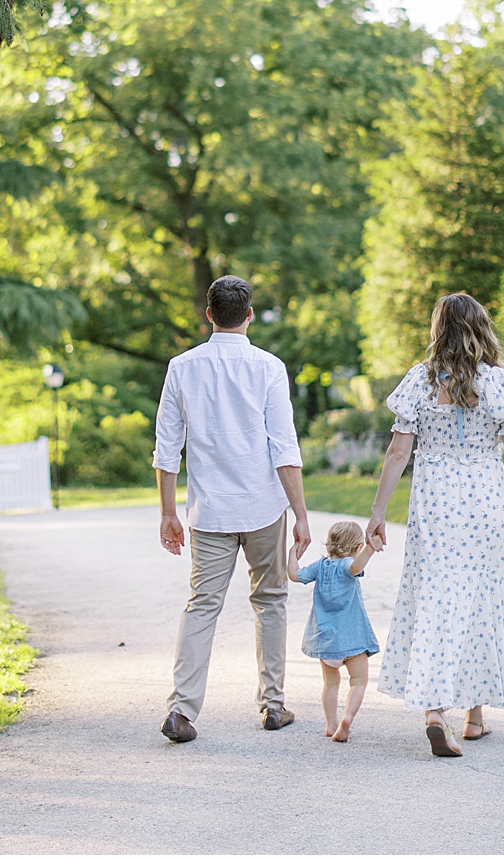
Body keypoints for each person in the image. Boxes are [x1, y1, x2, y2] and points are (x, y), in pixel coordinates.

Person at [367, 292, 504, 758]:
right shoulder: (499, 383)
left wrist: (378, 513)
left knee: (439, 597)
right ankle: (470, 716)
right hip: (484, 501)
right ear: (482, 328)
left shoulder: (420, 382)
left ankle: (444, 710)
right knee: (481, 597)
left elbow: (398, 453)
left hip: (435, 502)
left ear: (438, 330)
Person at [153, 274, 311, 742]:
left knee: (202, 605)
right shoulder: (269, 367)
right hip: (264, 506)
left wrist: (167, 513)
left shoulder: (182, 366)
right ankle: (273, 706)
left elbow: (167, 448)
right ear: (248, 316)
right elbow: (283, 446)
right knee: (271, 602)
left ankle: (181, 711)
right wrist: (301, 515)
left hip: (209, 512)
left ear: (209, 315)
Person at [289, 520, 379, 742]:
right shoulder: (348, 565)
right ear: (357, 547)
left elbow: (294, 575)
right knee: (358, 681)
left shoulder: (320, 566)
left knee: (330, 683)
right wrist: (372, 548)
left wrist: (292, 552)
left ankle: (330, 724)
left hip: (327, 642)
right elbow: (357, 566)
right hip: (353, 639)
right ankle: (347, 717)